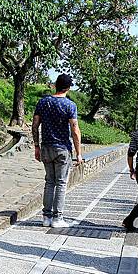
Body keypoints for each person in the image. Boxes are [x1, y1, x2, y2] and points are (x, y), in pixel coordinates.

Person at [32, 74, 83, 228]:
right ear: (68, 88)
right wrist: (79, 153)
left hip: (46, 147)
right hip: (63, 149)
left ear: (55, 85)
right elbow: (75, 130)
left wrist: (36, 146)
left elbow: (35, 125)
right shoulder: (70, 105)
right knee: (61, 183)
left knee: (49, 182)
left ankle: (46, 217)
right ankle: (57, 218)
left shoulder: (43, 102)